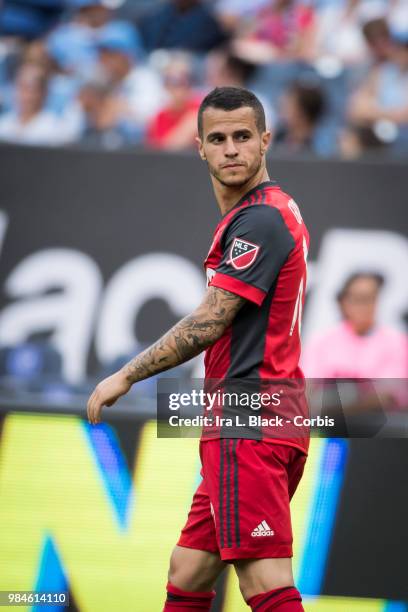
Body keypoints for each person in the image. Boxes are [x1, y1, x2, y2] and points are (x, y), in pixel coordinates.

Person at [87, 86, 309, 611]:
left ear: (265, 142)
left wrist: (127, 374)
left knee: (265, 582)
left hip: (248, 418)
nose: (231, 148)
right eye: (218, 138)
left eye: (242, 136)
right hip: (261, 417)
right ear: (200, 148)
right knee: (188, 569)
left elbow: (211, 319)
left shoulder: (260, 217)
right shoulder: (264, 212)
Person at [302, 272, 408, 378]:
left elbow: (391, 390)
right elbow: (308, 385)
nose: (363, 306)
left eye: (369, 298)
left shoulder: (396, 343)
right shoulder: (321, 342)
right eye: (357, 299)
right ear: (344, 302)